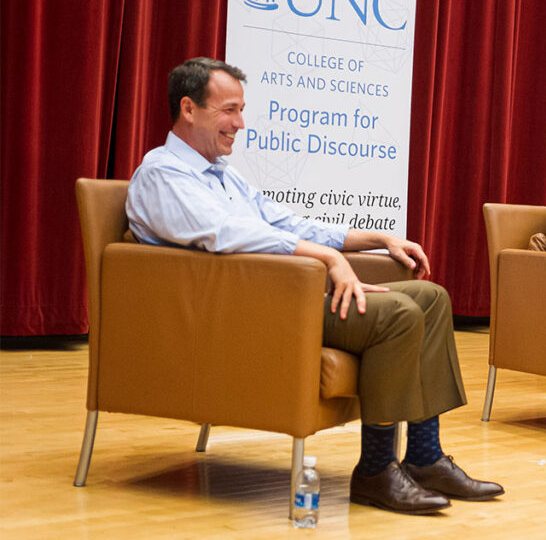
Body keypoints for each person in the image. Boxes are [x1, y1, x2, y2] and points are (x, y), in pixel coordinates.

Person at [126, 57, 503, 514]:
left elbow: (288, 222)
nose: (240, 124)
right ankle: (376, 471)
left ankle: (425, 456)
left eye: (241, 110)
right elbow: (226, 234)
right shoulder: (163, 173)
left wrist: (378, 238)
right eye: (228, 110)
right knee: (398, 315)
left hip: (282, 299)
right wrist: (329, 259)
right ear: (188, 108)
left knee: (431, 298)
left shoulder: (225, 176)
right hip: (240, 315)